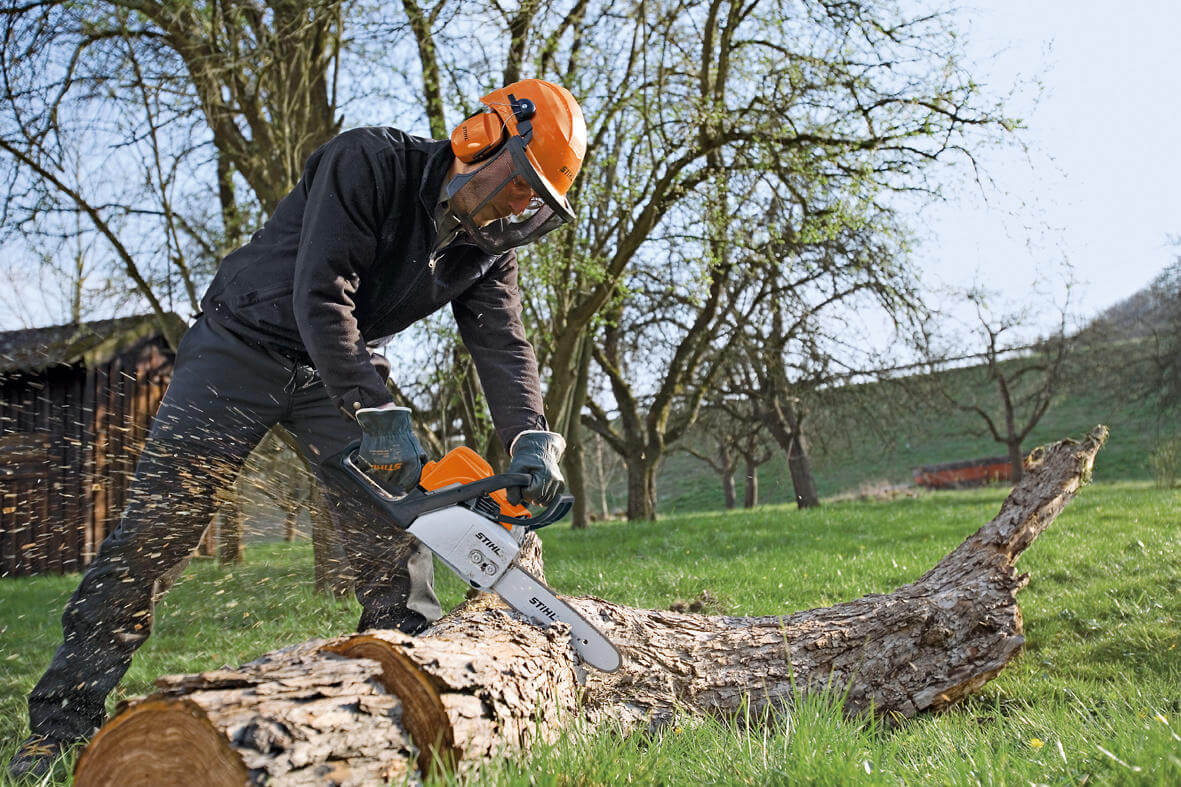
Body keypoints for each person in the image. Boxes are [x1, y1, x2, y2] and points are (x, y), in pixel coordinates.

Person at [8, 78, 586, 780]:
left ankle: (411, 702)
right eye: (520, 184)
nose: (519, 205)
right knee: (157, 530)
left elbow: (503, 344)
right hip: (240, 345)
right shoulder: (368, 161)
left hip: (334, 373)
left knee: (393, 529)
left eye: (536, 203)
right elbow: (323, 292)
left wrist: (532, 436)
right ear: (481, 137)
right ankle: (60, 725)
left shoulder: (488, 246)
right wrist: (375, 409)